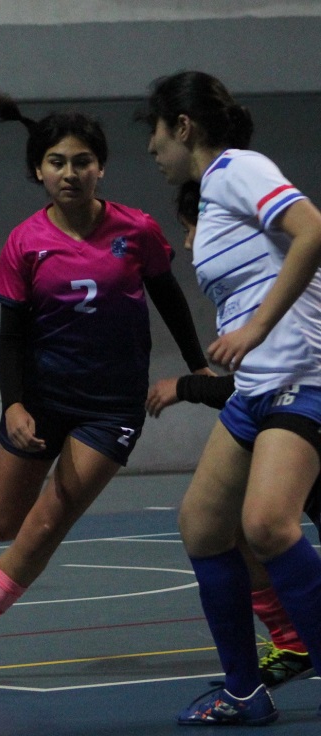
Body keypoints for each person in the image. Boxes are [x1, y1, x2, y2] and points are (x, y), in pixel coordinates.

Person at [0, 95, 208, 686]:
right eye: (57, 162)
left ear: (100, 167)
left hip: (110, 409)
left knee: (47, 523)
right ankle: (22, 551)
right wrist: (15, 404)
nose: (70, 173)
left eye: (82, 161)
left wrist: (197, 366)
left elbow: (171, 301)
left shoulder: (137, 230)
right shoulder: (24, 242)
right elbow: (10, 337)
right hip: (41, 400)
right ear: (39, 171)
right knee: (5, 524)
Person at [140, 76, 321, 721]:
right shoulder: (212, 198)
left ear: (182, 126)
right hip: (257, 390)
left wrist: (256, 328)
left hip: (305, 376)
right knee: (203, 526)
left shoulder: (237, 169)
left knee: (269, 525)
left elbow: (313, 231)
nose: (152, 149)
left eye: (155, 133)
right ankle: (244, 691)